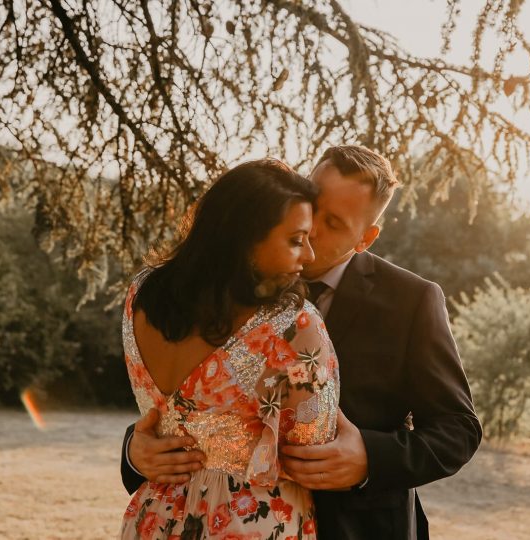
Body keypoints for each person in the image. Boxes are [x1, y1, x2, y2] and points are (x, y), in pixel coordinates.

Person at [121, 146, 482, 539]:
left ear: (366, 237)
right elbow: (195, 401)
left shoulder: (411, 300)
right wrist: (135, 452)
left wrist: (369, 459)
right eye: (312, 203)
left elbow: (458, 428)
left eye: (333, 222)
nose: (311, 228)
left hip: (358, 528)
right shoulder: (230, 289)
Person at [119, 159, 340, 539]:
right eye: (295, 240)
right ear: (245, 240)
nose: (309, 256)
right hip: (248, 521)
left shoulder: (142, 295)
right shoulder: (294, 325)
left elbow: (160, 415)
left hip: (156, 515)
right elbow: (312, 442)